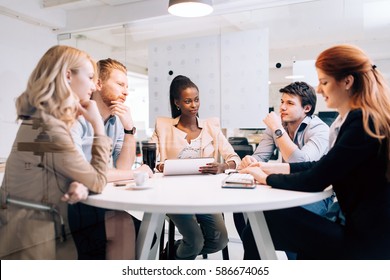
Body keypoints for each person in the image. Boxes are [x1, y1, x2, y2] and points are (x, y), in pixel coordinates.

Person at [240, 44, 390, 259]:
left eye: (324, 82)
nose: (319, 90)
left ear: (347, 82)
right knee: (259, 227)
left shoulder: (362, 122)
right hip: (365, 231)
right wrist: (270, 167)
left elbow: (316, 178)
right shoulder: (361, 118)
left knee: (264, 222)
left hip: (367, 243)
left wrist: (267, 178)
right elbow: (323, 165)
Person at [0, 45, 111, 259]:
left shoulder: (41, 119)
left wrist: (78, 182)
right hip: (32, 237)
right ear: (68, 75)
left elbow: (50, 172)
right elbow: (98, 180)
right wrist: (98, 126)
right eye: (89, 77)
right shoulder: (49, 128)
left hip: (28, 229)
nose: (93, 87)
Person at [69, 58, 152, 260]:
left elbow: (122, 166)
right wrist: (135, 173)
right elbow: (85, 174)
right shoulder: (76, 117)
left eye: (127, 87)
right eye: (120, 84)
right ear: (98, 84)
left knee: (148, 232)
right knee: (127, 227)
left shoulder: (115, 121)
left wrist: (129, 129)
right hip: (72, 200)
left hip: (96, 197)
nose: (125, 92)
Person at [151, 75, 241, 260]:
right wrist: (160, 165)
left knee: (220, 240)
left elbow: (234, 158)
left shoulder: (211, 128)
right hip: (173, 196)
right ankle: (179, 258)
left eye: (197, 99)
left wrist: (222, 166)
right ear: (177, 103)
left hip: (204, 195)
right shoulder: (163, 127)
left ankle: (172, 253)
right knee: (195, 241)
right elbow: (151, 161)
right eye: (188, 101)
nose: (194, 105)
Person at [234, 82, 331, 240]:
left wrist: (277, 129)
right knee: (242, 212)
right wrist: (250, 161)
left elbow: (300, 164)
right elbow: (260, 157)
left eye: (290, 103)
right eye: (282, 102)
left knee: (284, 222)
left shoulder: (319, 130)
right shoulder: (277, 126)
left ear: (306, 108)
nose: (282, 107)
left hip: (314, 194)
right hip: (287, 188)